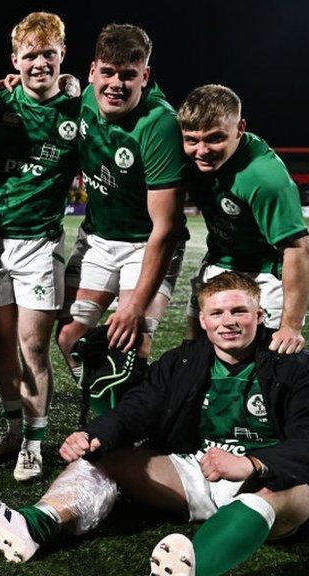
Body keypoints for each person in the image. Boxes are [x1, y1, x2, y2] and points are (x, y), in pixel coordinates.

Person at [0, 271, 309, 575]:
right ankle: (32, 527)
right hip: (205, 472)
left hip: (276, 482)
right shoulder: (185, 360)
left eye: (239, 312)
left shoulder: (298, 365)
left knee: (272, 493)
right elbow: (141, 406)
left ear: (260, 316)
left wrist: (254, 464)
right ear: (203, 320)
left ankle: (192, 566)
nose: (228, 322)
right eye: (217, 313)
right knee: (104, 457)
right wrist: (94, 434)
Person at [0, 12, 81, 481]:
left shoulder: (79, 110)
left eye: (48, 55)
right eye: (29, 55)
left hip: (39, 245)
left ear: (61, 57)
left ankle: (35, 444)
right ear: (15, 59)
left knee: (32, 348)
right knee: (0, 348)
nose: (39, 64)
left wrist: (76, 88)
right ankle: (13, 432)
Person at [55, 24, 189, 416]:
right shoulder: (82, 100)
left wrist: (135, 306)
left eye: (129, 75)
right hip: (98, 237)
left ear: (144, 76)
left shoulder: (159, 124)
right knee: (68, 337)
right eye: (109, 73)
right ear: (92, 71)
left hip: (147, 245)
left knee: (132, 339)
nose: (116, 84)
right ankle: (106, 403)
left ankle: (124, 429)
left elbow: (165, 228)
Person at [178, 84, 309, 355]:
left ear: (240, 128)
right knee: (195, 351)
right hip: (219, 260)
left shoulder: (264, 177)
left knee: (270, 359)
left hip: (266, 272)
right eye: (192, 139)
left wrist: (291, 326)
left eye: (215, 138)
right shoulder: (183, 155)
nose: (202, 150)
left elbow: (299, 250)